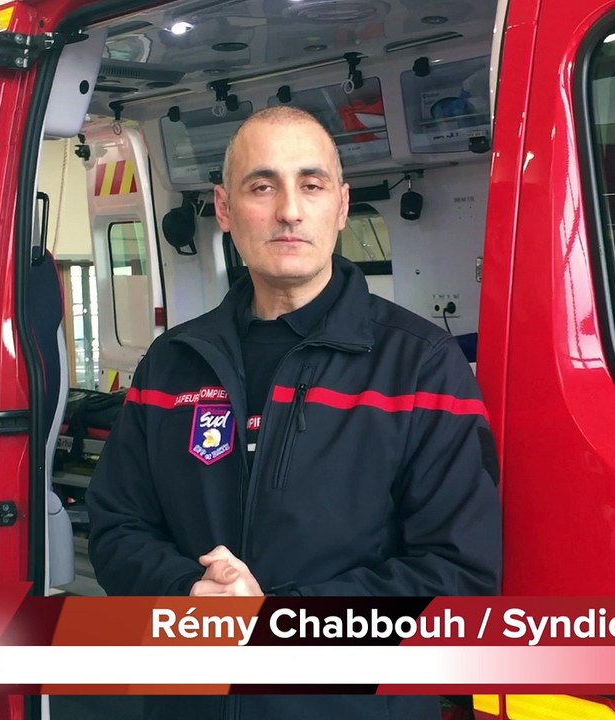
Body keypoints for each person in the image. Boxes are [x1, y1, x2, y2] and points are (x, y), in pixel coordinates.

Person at [87, 105, 502, 719]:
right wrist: (188, 595)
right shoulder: (173, 362)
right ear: (225, 209)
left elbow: (457, 573)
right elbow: (117, 527)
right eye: (262, 185)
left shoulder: (419, 366)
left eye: (311, 185)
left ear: (340, 205)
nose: (288, 210)